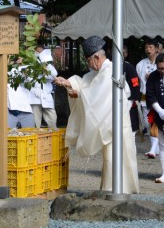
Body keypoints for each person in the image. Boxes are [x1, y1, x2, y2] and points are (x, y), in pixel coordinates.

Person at [54, 36, 139, 194]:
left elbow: (95, 96)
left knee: (117, 157)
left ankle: (119, 190)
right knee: (109, 159)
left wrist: (77, 92)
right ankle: (110, 189)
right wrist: (70, 84)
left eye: (88, 61)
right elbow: (86, 85)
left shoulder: (110, 72)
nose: (88, 65)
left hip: (117, 122)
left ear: (97, 57)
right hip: (109, 122)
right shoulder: (99, 71)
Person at [136, 39, 159, 158]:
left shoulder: (162, 61)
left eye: (150, 47)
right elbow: (139, 83)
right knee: (147, 122)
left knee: (159, 122)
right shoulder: (140, 64)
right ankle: (154, 147)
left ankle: (157, 147)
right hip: (146, 97)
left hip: (159, 97)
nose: (148, 49)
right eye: (146, 47)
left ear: (156, 48)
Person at [146, 53, 164, 183]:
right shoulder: (153, 76)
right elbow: (150, 95)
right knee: (163, 145)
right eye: (159, 68)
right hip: (161, 114)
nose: (162, 71)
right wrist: (159, 111)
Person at [30, 45, 58, 129]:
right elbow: (28, 78)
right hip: (35, 95)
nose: (39, 53)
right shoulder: (30, 65)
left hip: (46, 94)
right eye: (37, 52)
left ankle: (54, 135)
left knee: (52, 118)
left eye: (40, 52)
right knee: (35, 121)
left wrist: (44, 68)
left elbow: (53, 75)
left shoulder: (48, 65)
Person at [8, 57, 35, 129]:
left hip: (25, 109)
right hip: (9, 110)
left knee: (30, 134)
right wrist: (6, 64)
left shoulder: (24, 68)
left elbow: (29, 79)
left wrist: (23, 64)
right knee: (7, 135)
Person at [123, 45, 140, 135]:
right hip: (113, 100)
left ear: (125, 54)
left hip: (128, 100)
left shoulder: (130, 67)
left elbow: (135, 84)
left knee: (130, 129)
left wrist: (132, 99)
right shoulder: (110, 66)